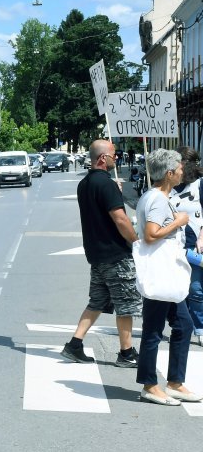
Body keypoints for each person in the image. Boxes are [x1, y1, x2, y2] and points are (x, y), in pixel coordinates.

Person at [61, 140, 141, 368]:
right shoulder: (105, 184)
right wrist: (135, 241)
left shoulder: (84, 184)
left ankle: (74, 344)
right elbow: (120, 218)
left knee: (97, 301)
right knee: (125, 304)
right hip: (116, 254)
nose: (117, 158)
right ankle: (126, 353)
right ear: (102, 158)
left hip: (96, 254)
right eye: (114, 155)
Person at [135, 148, 202, 405]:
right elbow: (152, 233)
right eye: (180, 168)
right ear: (170, 173)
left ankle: (174, 382)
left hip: (167, 274)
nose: (183, 171)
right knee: (153, 330)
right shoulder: (158, 200)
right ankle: (150, 385)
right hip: (161, 272)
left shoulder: (158, 197)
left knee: (183, 325)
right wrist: (179, 221)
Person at [170, 146, 203, 346]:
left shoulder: (200, 185)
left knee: (196, 289)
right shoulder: (168, 186)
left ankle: (200, 327)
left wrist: (202, 235)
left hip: (195, 247)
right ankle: (180, 323)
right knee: (178, 288)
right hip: (174, 247)